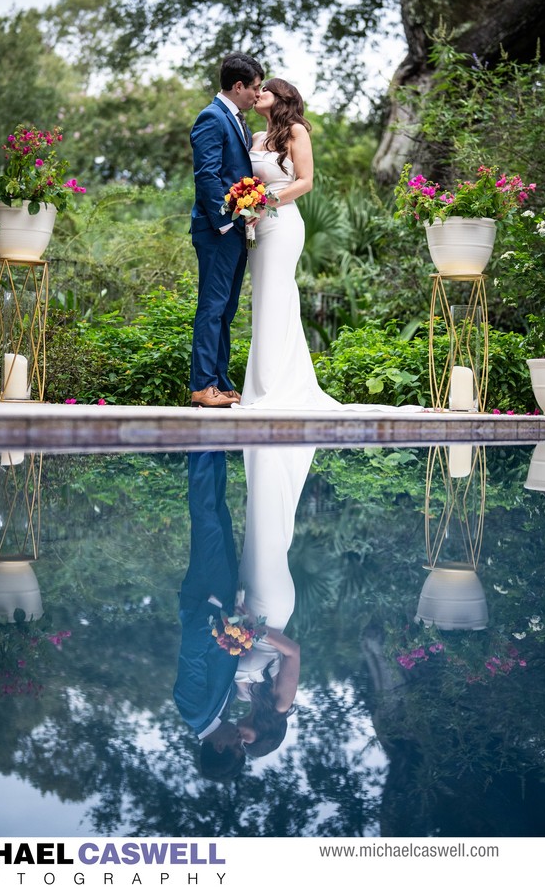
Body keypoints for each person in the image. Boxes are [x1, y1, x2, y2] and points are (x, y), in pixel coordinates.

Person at [238, 77, 340, 410]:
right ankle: (262, 386)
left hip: (283, 226)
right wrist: (246, 203)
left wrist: (265, 202)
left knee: (277, 295)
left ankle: (277, 388)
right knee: (263, 300)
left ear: (281, 96)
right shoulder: (254, 137)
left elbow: (306, 182)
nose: (257, 94)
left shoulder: (296, 131)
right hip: (256, 227)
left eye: (263, 90)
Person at [189, 51, 264, 408]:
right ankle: (203, 386)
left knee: (227, 309)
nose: (256, 94)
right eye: (255, 88)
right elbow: (206, 176)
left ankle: (219, 382)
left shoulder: (236, 120)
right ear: (238, 86)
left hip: (235, 229)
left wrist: (246, 213)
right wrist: (224, 222)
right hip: (217, 229)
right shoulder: (212, 117)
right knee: (212, 306)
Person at [232, 445, 313, 757]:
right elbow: (293, 652)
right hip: (271, 610)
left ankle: (267, 454)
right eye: (246, 743)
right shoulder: (281, 704)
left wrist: (238, 624)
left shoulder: (243, 696)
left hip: (249, 610)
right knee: (268, 533)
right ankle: (274, 451)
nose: (240, 739)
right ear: (264, 736)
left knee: (261, 528)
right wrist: (254, 628)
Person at [173, 451, 246, 782]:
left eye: (237, 747)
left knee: (206, 519)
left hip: (206, 598)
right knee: (219, 517)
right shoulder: (220, 709)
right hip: (222, 601)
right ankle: (216, 445)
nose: (240, 740)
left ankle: (202, 446)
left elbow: (192, 651)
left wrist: (216, 614)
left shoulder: (193, 711)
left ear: (219, 749)